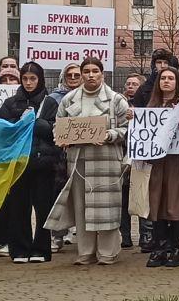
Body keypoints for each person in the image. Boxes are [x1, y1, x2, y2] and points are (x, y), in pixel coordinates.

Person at [46, 56, 131, 267]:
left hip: (107, 161)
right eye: (87, 71)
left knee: (107, 208)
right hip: (79, 162)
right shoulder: (69, 100)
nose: (90, 75)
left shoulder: (116, 99)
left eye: (95, 71)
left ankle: (107, 252)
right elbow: (58, 126)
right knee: (82, 208)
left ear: (102, 74)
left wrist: (109, 135)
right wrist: (62, 138)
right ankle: (85, 252)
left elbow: (127, 129)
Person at [0, 62, 62, 264]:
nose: (29, 82)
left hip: (43, 164)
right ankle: (20, 249)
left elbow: (58, 130)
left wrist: (38, 124)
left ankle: (42, 248)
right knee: (18, 208)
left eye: (33, 79)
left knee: (43, 208)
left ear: (40, 79)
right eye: (25, 78)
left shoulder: (50, 103)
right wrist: (18, 122)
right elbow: (1, 130)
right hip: (18, 163)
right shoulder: (11, 103)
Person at [139, 66, 179, 268]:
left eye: (171, 78)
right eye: (163, 78)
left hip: (176, 162)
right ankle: (159, 248)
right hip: (156, 163)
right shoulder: (151, 107)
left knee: (175, 204)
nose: (166, 82)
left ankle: (175, 249)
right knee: (157, 203)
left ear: (177, 82)